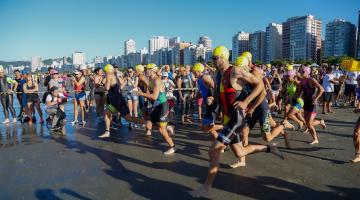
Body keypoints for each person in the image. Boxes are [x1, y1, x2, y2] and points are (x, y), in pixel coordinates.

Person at [190, 47, 283, 198]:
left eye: (215, 58)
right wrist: (212, 99)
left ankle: (206, 188)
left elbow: (260, 86)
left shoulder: (235, 71)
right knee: (240, 152)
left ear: (223, 57)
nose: (213, 61)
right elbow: (218, 96)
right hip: (228, 118)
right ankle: (270, 148)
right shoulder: (217, 75)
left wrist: (246, 102)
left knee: (213, 150)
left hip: (237, 119)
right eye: (212, 58)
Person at [136, 63, 175, 155]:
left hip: (162, 106)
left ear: (152, 70)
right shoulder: (150, 79)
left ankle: (172, 147)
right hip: (156, 106)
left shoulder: (157, 80)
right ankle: (168, 126)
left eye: (147, 70)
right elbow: (150, 92)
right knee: (148, 125)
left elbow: (154, 97)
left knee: (162, 130)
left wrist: (141, 93)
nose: (145, 71)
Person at [98, 64, 142, 138]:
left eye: (105, 71)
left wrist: (102, 87)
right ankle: (107, 131)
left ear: (107, 70)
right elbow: (121, 84)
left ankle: (146, 123)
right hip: (117, 99)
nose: (104, 72)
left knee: (128, 118)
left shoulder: (109, 75)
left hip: (115, 100)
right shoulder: (115, 75)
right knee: (106, 113)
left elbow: (107, 88)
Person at [299, 66, 326, 144]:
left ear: (307, 72)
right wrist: (299, 97)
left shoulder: (311, 80)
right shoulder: (302, 81)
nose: (301, 73)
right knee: (307, 124)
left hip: (313, 104)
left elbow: (321, 89)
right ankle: (320, 122)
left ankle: (315, 139)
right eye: (300, 71)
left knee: (309, 124)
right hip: (306, 103)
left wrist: (316, 98)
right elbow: (301, 91)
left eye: (302, 72)